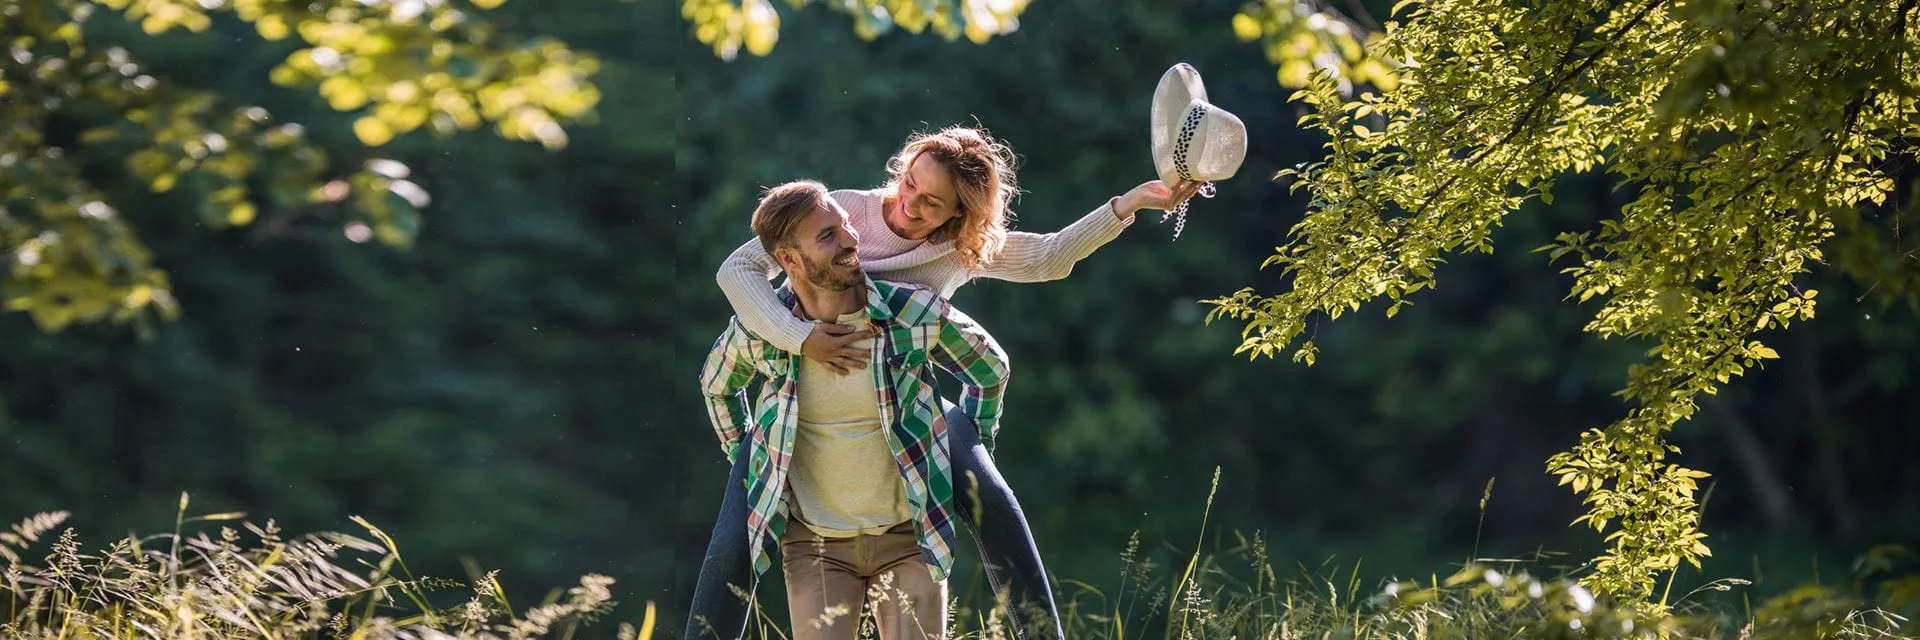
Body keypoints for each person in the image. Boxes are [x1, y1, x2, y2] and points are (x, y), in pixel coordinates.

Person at [687, 124, 1197, 640]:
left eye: (931, 202)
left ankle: (1041, 633)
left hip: (913, 397)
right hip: (803, 380)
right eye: (909, 182)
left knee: (991, 498)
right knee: (734, 540)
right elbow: (738, 270)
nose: (908, 204)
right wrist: (799, 338)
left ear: (959, 214)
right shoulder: (843, 211)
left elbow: (1048, 257)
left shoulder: (959, 249)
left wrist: (1129, 204)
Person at [700, 180, 1010, 640]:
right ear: (787, 259)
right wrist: (748, 459)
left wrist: (968, 452)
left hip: (911, 537)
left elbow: (990, 370)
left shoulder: (912, 313)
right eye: (827, 236)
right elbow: (715, 387)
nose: (849, 240)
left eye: (844, 225)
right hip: (814, 545)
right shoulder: (760, 333)